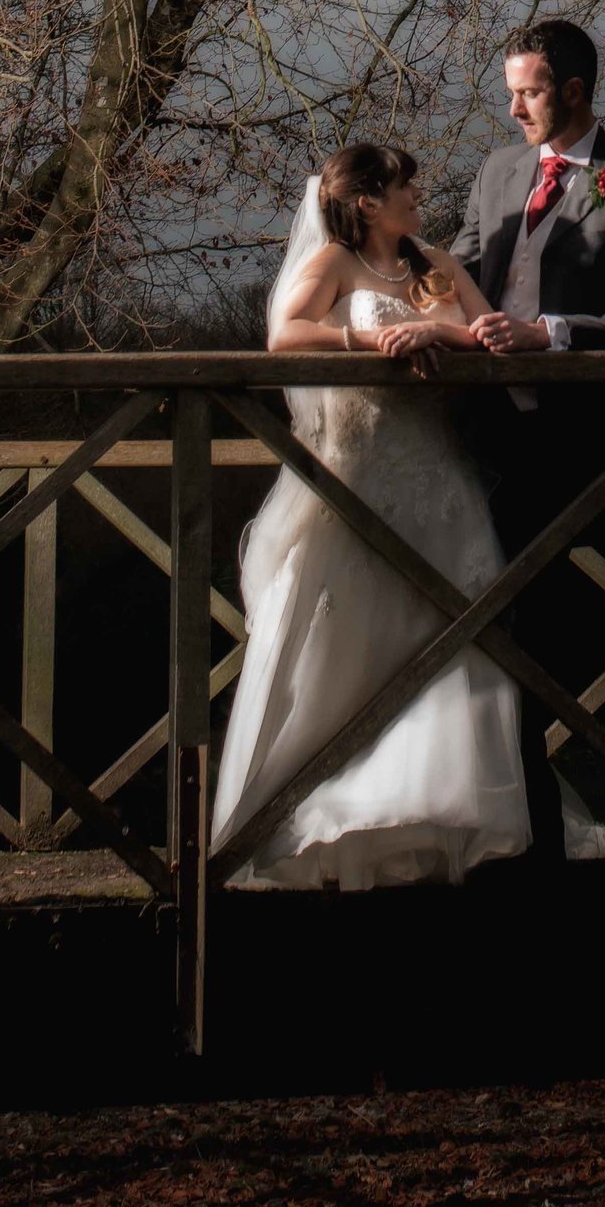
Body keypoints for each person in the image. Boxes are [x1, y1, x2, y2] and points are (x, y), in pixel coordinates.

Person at [209, 139, 527, 890]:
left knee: (450, 630)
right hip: (364, 473)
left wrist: (436, 331)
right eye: (405, 186)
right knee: (349, 634)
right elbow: (284, 336)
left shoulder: (438, 262)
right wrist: (368, 338)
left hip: (437, 474)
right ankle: (318, 807)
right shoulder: (334, 266)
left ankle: (437, 807)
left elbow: (487, 334)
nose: (419, 194)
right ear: (366, 202)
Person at [450, 19, 605, 859]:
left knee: (525, 633)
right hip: (475, 439)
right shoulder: (497, 173)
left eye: (529, 91)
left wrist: (547, 335)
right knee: (474, 621)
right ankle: (505, 825)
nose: (512, 108)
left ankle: (530, 836)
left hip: (571, 447)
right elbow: (456, 278)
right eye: (511, 90)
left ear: (575, 92)